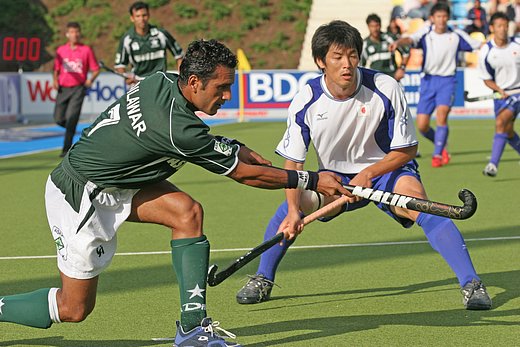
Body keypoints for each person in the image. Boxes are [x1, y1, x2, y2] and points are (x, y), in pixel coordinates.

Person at [0, 39, 349, 347]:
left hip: (119, 180)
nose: (227, 96)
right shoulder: (178, 130)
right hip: (80, 195)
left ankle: (193, 329)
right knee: (73, 309)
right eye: (222, 87)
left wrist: (237, 146)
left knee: (187, 212)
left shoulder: (161, 81)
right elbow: (245, 176)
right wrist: (313, 180)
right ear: (194, 81)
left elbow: (211, 144)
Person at [235, 20, 492, 313]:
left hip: (386, 171)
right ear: (321, 61)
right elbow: (294, 163)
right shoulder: (306, 98)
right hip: (334, 178)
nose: (347, 64)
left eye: (352, 55)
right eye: (337, 57)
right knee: (295, 205)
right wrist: (294, 211)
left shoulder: (385, 87)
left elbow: (407, 149)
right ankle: (263, 278)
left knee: (421, 205)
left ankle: (471, 284)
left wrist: (369, 173)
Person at [389, 3, 482, 167]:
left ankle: (437, 155)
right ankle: (441, 144)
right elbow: (410, 39)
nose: (441, 20)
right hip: (428, 81)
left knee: (442, 114)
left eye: (444, 16)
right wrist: (398, 43)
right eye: (438, 16)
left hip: (448, 80)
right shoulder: (426, 33)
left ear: (448, 18)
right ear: (432, 18)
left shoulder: (456, 35)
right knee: (422, 125)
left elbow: (478, 45)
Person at [478, 12, 520, 177]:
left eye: (505, 26)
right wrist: (498, 89)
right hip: (503, 95)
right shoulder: (486, 51)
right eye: (499, 26)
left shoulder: (517, 44)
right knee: (507, 130)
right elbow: (486, 79)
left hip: (518, 92)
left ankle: (493, 165)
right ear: (492, 28)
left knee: (501, 123)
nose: (503, 29)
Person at [53, 22, 100, 157]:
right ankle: (71, 129)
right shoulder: (61, 51)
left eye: (77, 32)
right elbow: (56, 68)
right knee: (58, 119)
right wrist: (55, 80)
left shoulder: (86, 50)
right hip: (63, 89)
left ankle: (66, 149)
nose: (75, 34)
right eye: (72, 32)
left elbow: (96, 69)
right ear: (67, 34)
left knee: (72, 118)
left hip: (78, 89)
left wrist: (90, 80)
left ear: (80, 33)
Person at [114, 1, 184, 86]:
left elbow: (179, 56)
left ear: (148, 16)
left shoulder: (160, 34)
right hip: (139, 84)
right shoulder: (127, 39)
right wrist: (125, 78)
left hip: (160, 82)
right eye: (138, 16)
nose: (142, 19)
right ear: (132, 18)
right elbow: (119, 65)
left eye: (144, 15)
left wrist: (181, 77)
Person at [360, 13, 409, 82]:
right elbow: (361, 65)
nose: (375, 29)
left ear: (380, 25)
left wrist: (402, 68)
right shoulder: (365, 44)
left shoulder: (389, 38)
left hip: (392, 77)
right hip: (376, 79)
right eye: (372, 26)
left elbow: (406, 53)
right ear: (368, 27)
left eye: (377, 26)